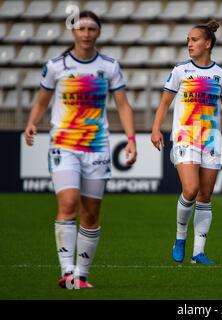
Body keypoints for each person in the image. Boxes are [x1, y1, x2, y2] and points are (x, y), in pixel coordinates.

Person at [24, 11, 137, 288]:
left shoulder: (109, 66)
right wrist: (31, 123)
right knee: (69, 203)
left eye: (91, 29)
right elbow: (41, 101)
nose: (86, 33)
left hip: (97, 147)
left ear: (98, 33)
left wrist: (132, 139)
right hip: (64, 144)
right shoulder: (56, 66)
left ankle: (82, 275)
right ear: (73, 32)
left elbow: (122, 105)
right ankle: (67, 272)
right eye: (81, 28)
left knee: (91, 214)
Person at [151, 20, 222, 265]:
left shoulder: (221, 74)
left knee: (205, 196)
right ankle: (180, 238)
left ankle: (198, 252)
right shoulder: (180, 71)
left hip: (211, 140)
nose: (189, 44)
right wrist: (156, 129)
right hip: (184, 137)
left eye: (194, 40)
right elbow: (164, 104)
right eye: (188, 40)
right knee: (190, 190)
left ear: (207, 43)